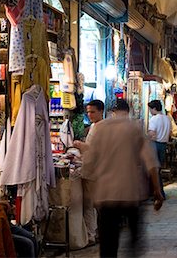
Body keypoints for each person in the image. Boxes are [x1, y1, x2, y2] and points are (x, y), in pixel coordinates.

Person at [81, 99, 164, 257]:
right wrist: (157, 192)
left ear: (112, 112)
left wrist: (91, 190)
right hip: (130, 194)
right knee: (133, 242)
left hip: (106, 195)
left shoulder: (100, 129)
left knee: (107, 245)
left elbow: (89, 162)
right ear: (129, 110)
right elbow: (151, 163)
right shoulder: (134, 129)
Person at [73, 99, 104, 246]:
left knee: (90, 205)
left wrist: (80, 145)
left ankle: (92, 235)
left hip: (94, 172)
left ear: (101, 111)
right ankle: (95, 233)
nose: (90, 115)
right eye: (88, 112)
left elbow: (94, 150)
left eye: (93, 112)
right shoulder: (95, 126)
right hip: (93, 170)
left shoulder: (100, 127)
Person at [147, 100, 172, 199]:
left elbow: (152, 133)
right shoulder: (167, 119)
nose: (149, 111)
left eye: (150, 109)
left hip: (155, 145)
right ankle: (158, 193)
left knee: (154, 171)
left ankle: (158, 193)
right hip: (163, 145)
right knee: (157, 170)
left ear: (154, 109)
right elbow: (170, 133)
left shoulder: (154, 119)